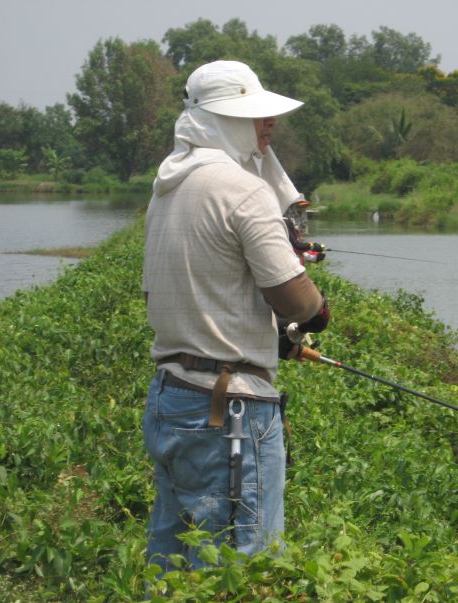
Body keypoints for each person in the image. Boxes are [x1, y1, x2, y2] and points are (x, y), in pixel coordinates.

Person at [141, 60, 329, 572]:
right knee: (241, 567)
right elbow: (296, 302)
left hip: (171, 397)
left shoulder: (167, 188)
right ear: (222, 121)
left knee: (175, 563)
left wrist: (268, 337)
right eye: (254, 116)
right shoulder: (244, 190)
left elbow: (185, 292)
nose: (269, 124)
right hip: (229, 413)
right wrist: (315, 313)